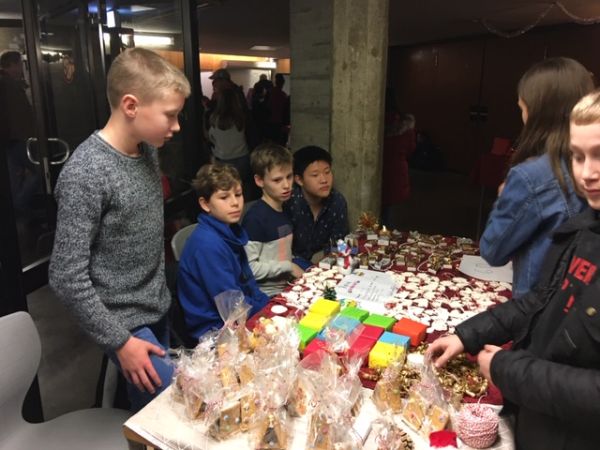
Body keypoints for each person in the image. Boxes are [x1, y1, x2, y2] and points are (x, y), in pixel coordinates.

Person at [426, 89, 600, 450]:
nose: (587, 173)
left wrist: (508, 370)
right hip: (544, 417)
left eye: (599, 156)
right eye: (578, 157)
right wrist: (467, 336)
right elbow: (539, 299)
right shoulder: (585, 227)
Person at [49, 48, 190, 412]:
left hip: (157, 308)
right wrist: (120, 342)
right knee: (178, 413)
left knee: (151, 418)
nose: (176, 127)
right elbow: (66, 276)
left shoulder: (147, 151)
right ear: (131, 106)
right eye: (170, 116)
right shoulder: (86, 173)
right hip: (124, 324)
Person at [479, 57, 592, 298]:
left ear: (538, 112)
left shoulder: (534, 175)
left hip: (540, 308)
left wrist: (505, 196)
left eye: (522, 108)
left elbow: (493, 250)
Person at [178, 164, 269, 340]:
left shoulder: (230, 231)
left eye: (238, 194)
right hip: (215, 332)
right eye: (224, 197)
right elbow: (233, 309)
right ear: (205, 204)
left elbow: (249, 283)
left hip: (238, 316)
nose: (235, 202)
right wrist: (266, 309)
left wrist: (267, 304)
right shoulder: (208, 246)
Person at [242, 143, 304, 296]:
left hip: (287, 286)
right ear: (259, 181)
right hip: (266, 295)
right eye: (277, 180)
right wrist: (288, 267)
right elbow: (250, 269)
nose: (286, 185)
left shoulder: (286, 207)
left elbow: (281, 252)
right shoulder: (255, 219)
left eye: (289, 177)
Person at [283, 145, 349, 268]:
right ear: (299, 180)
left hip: (324, 264)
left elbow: (340, 243)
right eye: (315, 175)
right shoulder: (288, 203)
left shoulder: (337, 202)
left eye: (327, 172)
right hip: (289, 266)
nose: (324, 180)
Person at [0, 50, 40, 217]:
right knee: (39, 169)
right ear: (12, 65)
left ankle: (17, 210)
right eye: (19, 64)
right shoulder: (10, 85)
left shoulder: (7, 83)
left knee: (14, 177)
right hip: (18, 137)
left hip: (9, 138)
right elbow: (21, 114)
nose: (21, 68)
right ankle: (20, 204)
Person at [208, 87, 259, 199]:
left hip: (223, 159)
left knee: (226, 190)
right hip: (242, 157)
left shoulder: (214, 118)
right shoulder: (241, 117)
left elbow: (211, 138)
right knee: (244, 188)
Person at [265, 73, 289, 145]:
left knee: (271, 143)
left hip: (270, 121)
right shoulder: (283, 95)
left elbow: (267, 106)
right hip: (280, 122)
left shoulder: (270, 92)